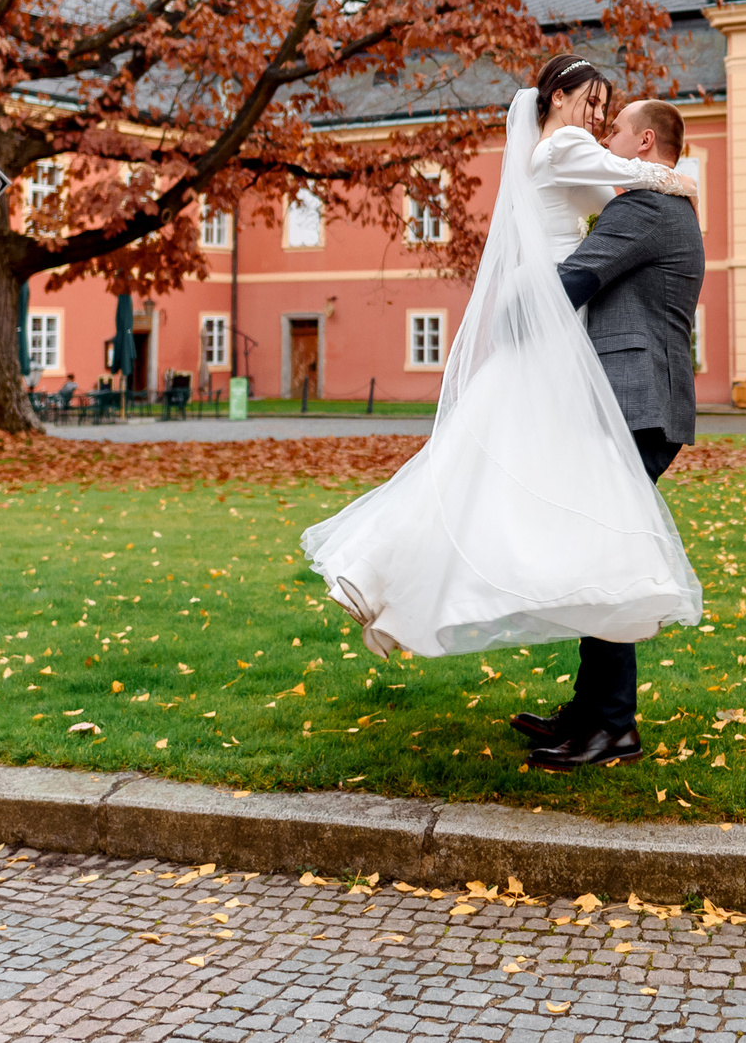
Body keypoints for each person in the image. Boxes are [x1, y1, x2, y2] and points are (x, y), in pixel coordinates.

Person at [300, 55, 704, 693]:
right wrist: (678, 179)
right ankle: (598, 710)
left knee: (493, 473)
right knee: (552, 505)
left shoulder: (575, 158)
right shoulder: (569, 145)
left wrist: (661, 181)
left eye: (609, 111)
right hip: (548, 309)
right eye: (593, 102)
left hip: (555, 314)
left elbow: (616, 196)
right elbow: (621, 178)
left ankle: (596, 709)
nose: (599, 119)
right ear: (560, 97)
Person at [514, 92, 706, 770]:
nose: (606, 136)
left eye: (616, 128)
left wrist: (502, 316)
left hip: (635, 404)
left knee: (607, 559)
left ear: (646, 142)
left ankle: (612, 725)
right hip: (641, 402)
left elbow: (573, 282)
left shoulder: (644, 207)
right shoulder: (667, 204)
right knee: (599, 550)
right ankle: (592, 709)